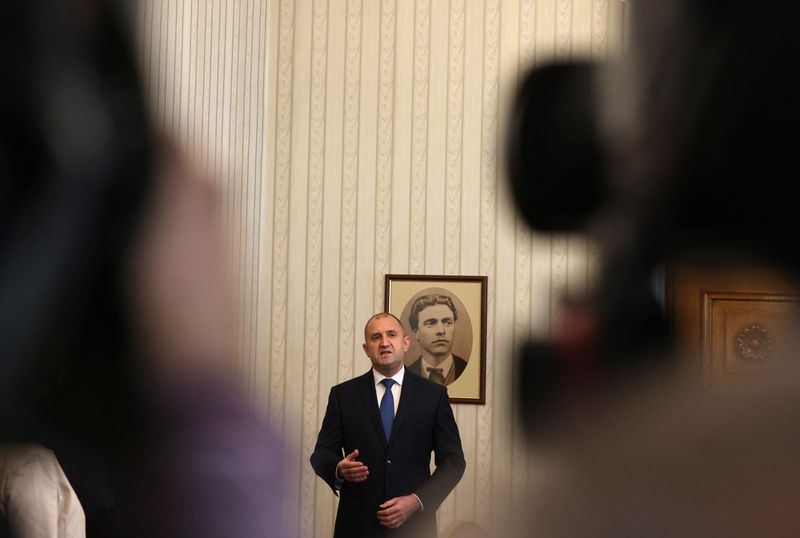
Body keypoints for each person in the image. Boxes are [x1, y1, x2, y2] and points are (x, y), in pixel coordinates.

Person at [311, 313, 466, 537]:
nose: (384, 342)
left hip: (414, 526)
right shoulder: (343, 395)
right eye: (376, 337)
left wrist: (416, 501)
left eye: (391, 335)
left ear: (405, 343)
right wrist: (338, 469)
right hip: (357, 526)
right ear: (366, 349)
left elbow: (453, 462)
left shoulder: (434, 395)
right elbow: (322, 453)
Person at [406, 295, 468, 385]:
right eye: (430, 323)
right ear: (416, 332)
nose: (441, 331)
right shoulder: (406, 374)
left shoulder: (466, 369)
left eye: (447, 322)